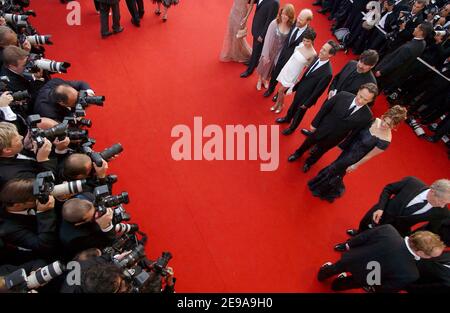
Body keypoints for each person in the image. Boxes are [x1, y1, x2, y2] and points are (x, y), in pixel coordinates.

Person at [307, 105, 407, 202]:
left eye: (389, 124)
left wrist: (355, 165)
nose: (384, 124)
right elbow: (356, 133)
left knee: (334, 167)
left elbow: (369, 156)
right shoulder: (374, 121)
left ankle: (322, 189)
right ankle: (326, 185)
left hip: (355, 157)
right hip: (349, 149)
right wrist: (345, 144)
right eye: (385, 120)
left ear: (394, 126)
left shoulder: (385, 140)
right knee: (337, 170)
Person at [318, 225, 445, 292]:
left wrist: (348, 245)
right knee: (349, 283)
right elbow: (386, 288)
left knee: (335, 267)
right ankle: (336, 286)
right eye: (429, 256)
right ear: (421, 252)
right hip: (368, 278)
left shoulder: (388, 230)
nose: (429, 258)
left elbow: (362, 237)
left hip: (354, 258)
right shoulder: (411, 274)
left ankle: (322, 274)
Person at [288, 83, 377, 173]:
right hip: (322, 127)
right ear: (358, 91)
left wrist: (345, 144)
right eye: (360, 96)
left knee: (321, 150)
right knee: (309, 141)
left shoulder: (367, 115)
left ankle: (309, 162)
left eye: (365, 100)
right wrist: (314, 123)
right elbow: (325, 109)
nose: (361, 101)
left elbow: (355, 132)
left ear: (371, 100)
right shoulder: (342, 95)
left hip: (337, 137)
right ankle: (298, 153)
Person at [347, 177, 450, 237]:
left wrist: (412, 238)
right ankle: (357, 235)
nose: (442, 205)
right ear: (432, 191)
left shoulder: (443, 212)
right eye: (441, 201)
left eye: (446, 203)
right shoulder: (412, 182)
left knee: (373, 240)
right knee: (364, 226)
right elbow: (388, 190)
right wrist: (380, 208)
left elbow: (430, 229)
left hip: (396, 230)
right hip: (381, 213)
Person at [276, 40, 339, 134]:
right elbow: (307, 74)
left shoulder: (327, 73)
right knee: (293, 106)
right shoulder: (317, 57)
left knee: (299, 113)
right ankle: (287, 118)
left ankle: (292, 128)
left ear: (330, 55)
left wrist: (307, 103)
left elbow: (318, 91)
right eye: (322, 48)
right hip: (300, 88)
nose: (321, 51)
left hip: (307, 97)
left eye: (324, 50)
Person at [0, 179, 58, 259]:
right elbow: (43, 246)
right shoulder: (9, 229)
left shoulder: (26, 198)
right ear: (17, 205)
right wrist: (44, 213)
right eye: (34, 200)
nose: (39, 199)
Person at [263, 8, 314, 97]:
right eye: (298, 17)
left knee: (286, 80)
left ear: (308, 21)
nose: (298, 20)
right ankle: (271, 89)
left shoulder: (308, 33)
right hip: (282, 55)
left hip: (293, 61)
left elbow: (308, 49)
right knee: (275, 73)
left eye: (301, 20)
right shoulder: (293, 23)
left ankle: (279, 94)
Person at [375, 22, 433, 92]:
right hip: (393, 75)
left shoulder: (408, 48)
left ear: (421, 32)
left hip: (386, 73)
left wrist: (381, 72)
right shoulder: (423, 44)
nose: (415, 28)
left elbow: (395, 62)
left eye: (417, 27)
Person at [270, 29, 317, 114]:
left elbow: (307, 68)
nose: (305, 43)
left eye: (308, 41)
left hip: (294, 74)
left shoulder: (313, 54)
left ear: (312, 41)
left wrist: (299, 78)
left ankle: (280, 105)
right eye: (304, 40)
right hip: (287, 68)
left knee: (281, 91)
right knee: (281, 90)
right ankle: (278, 104)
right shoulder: (301, 44)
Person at [255, 4, 294, 90]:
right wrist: (265, 54)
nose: (284, 16)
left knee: (271, 68)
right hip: (269, 49)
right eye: (283, 13)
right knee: (264, 65)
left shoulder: (290, 27)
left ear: (290, 16)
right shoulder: (274, 23)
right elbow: (267, 38)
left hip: (278, 52)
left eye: (286, 15)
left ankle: (265, 80)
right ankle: (259, 80)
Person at [240, 0, 280, 78]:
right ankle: (253, 61)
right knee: (255, 49)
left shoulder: (274, 3)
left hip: (261, 32)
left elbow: (270, 21)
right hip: (256, 26)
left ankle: (249, 70)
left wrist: (262, 35)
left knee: (257, 50)